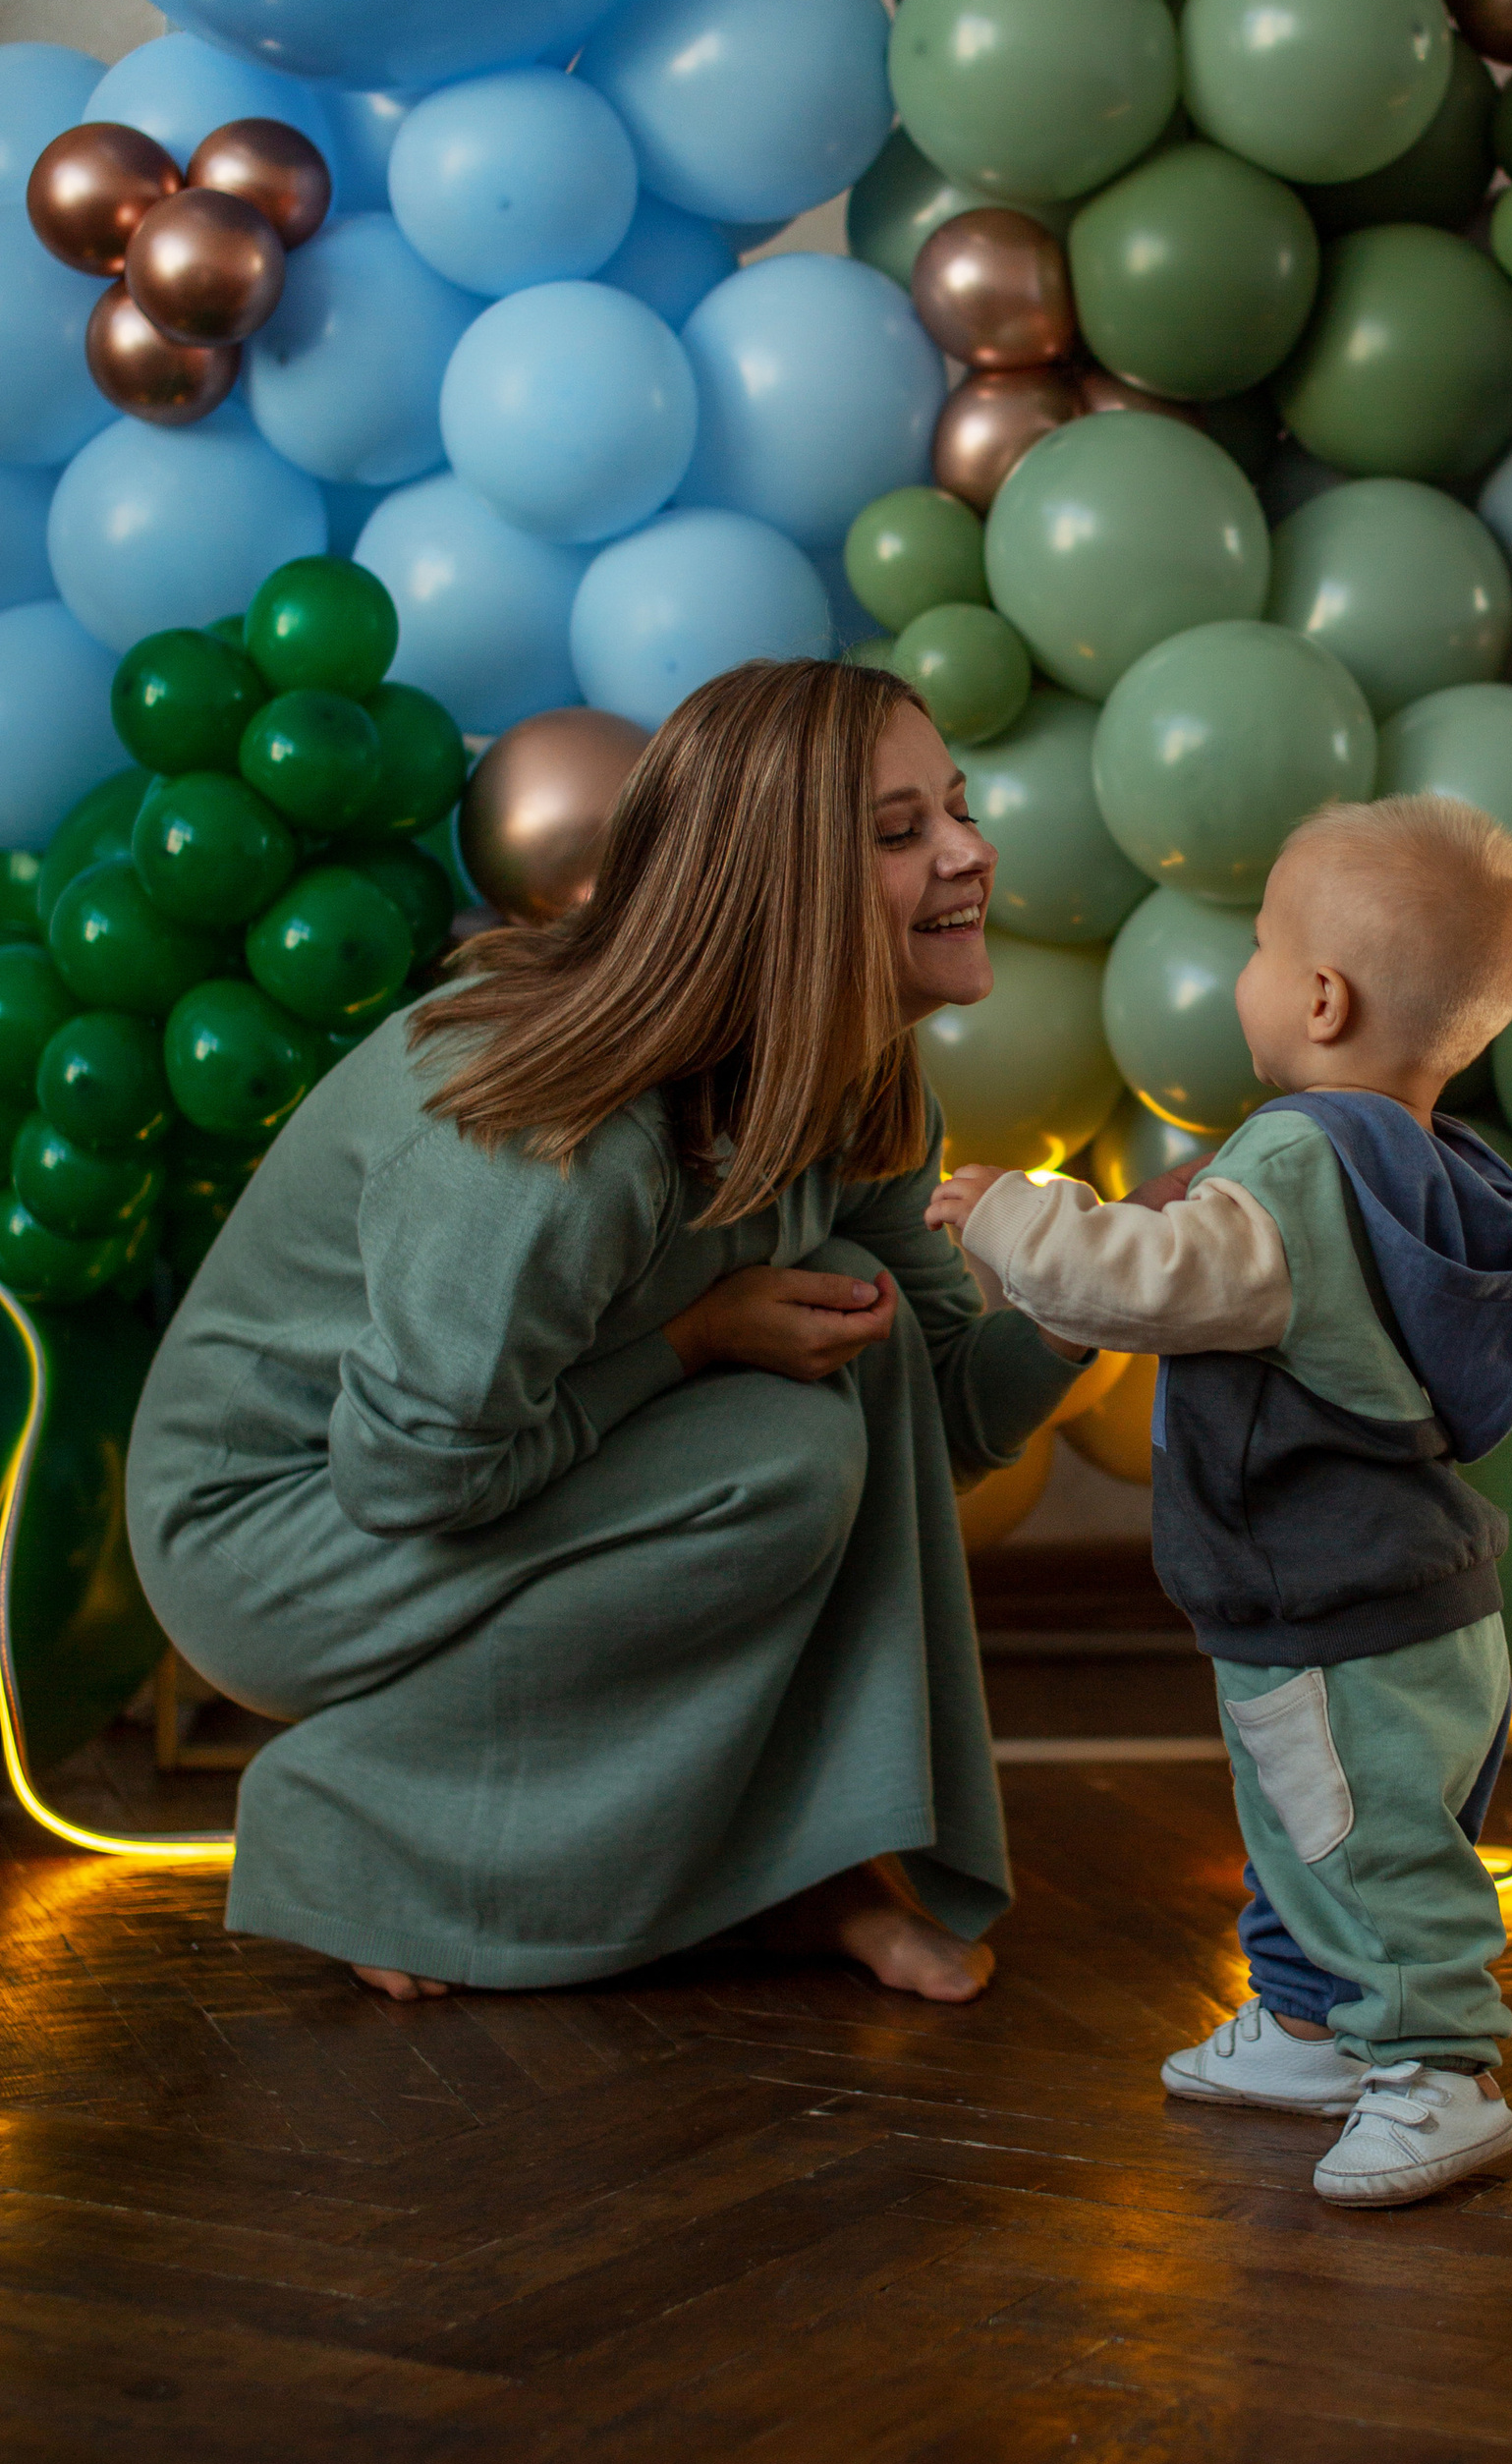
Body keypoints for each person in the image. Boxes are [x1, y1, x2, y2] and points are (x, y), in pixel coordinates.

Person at [128, 659, 1094, 2006]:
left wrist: (1098, 1295)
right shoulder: (557, 1146)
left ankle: (791, 1863)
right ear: (777, 892)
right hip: (276, 1538)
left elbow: (945, 1417)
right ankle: (367, 1832)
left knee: (836, 1387)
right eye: (900, 831)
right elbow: (408, 1478)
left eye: (959, 810)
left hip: (448, 1478)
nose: (970, 854)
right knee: (780, 1452)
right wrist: (691, 1344)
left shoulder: (856, 1083)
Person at [930, 792, 1512, 2210]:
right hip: (1417, 1597)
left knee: (1368, 1846)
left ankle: (1437, 2073)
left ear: (1322, 998)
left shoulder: (1292, 1155)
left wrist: (1009, 1214)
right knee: (1305, 1828)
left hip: (1331, 1603)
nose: (1248, 973)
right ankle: (1303, 2031)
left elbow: (1155, 1285)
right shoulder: (1436, 1170)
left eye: (1263, 945)